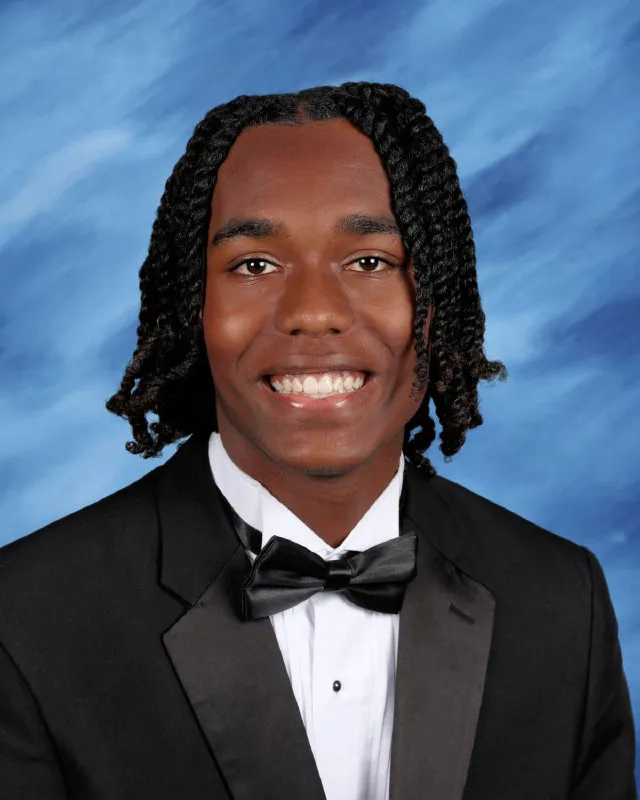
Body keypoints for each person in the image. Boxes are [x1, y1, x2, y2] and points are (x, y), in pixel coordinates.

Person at [0, 82, 635, 800]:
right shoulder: (25, 619)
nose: (312, 313)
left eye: (369, 262)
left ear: (436, 308)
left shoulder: (558, 601)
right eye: (255, 266)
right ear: (193, 310)